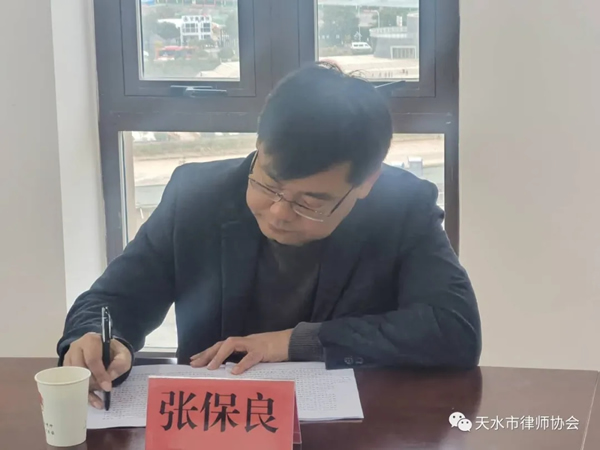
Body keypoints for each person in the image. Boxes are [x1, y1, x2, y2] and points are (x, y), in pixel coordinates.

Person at [58, 62, 482, 409]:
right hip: (219, 422)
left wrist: (295, 342)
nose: (279, 212)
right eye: (268, 184)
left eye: (310, 202)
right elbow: (112, 300)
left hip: (351, 428)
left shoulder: (403, 207)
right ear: (259, 145)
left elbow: (454, 330)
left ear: (366, 182)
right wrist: (97, 340)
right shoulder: (196, 196)